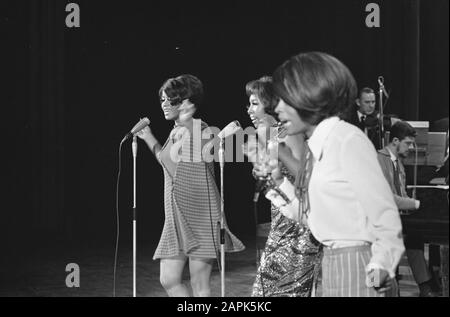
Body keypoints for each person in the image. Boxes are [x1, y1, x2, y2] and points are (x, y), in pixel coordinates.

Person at [258, 52, 405, 297]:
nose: (277, 108)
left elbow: (385, 212)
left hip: (358, 265)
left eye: (284, 100)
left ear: (310, 97)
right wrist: (277, 183)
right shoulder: (319, 144)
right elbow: (313, 218)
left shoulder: (347, 140)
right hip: (333, 263)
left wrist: (380, 266)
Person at [137, 74, 244, 297]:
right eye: (162, 100)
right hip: (176, 217)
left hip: (199, 215)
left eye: (171, 100)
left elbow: (200, 153)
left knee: (199, 284)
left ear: (186, 102)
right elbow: (168, 163)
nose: (164, 104)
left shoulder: (198, 128)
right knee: (168, 279)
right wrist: (148, 137)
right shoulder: (175, 131)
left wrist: (188, 120)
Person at [244, 76, 322, 297]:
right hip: (281, 223)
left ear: (269, 105)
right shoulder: (268, 135)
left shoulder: (288, 134)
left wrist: (277, 155)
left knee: (278, 291)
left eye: (255, 103)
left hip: (298, 226)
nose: (249, 110)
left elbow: (305, 176)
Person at [377, 121, 439, 297]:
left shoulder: (399, 164)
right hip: (379, 226)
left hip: (396, 221)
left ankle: (425, 286)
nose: (411, 147)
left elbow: (401, 194)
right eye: (408, 143)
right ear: (395, 141)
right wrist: (416, 204)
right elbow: (387, 197)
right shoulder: (379, 159)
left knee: (414, 237)